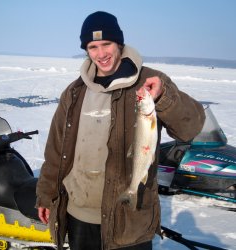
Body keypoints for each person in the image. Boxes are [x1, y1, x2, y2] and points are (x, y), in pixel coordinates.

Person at [36, 11, 205, 250]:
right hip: (80, 217)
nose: (101, 53)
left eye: (107, 44)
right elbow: (56, 151)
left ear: (119, 44)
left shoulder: (150, 82)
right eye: (93, 46)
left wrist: (165, 98)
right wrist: (46, 195)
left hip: (129, 221)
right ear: (86, 50)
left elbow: (191, 127)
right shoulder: (74, 92)